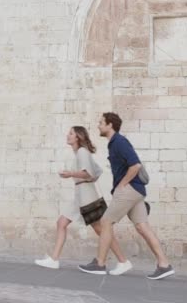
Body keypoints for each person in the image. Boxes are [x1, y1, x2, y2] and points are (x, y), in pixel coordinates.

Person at [78, 113, 174, 279]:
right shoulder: (114, 143)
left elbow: (135, 165)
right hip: (136, 190)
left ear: (110, 125)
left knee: (106, 221)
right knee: (142, 226)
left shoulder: (119, 142)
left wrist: (122, 185)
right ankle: (164, 264)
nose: (98, 125)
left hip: (130, 189)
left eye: (101, 123)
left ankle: (100, 263)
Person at [35, 126, 133, 276]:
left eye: (71, 133)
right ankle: (54, 260)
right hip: (81, 195)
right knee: (61, 223)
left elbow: (89, 173)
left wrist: (70, 174)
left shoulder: (82, 152)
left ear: (78, 137)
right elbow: (97, 172)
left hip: (87, 195)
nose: (68, 135)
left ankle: (123, 261)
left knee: (101, 230)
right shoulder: (80, 153)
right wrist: (83, 178)